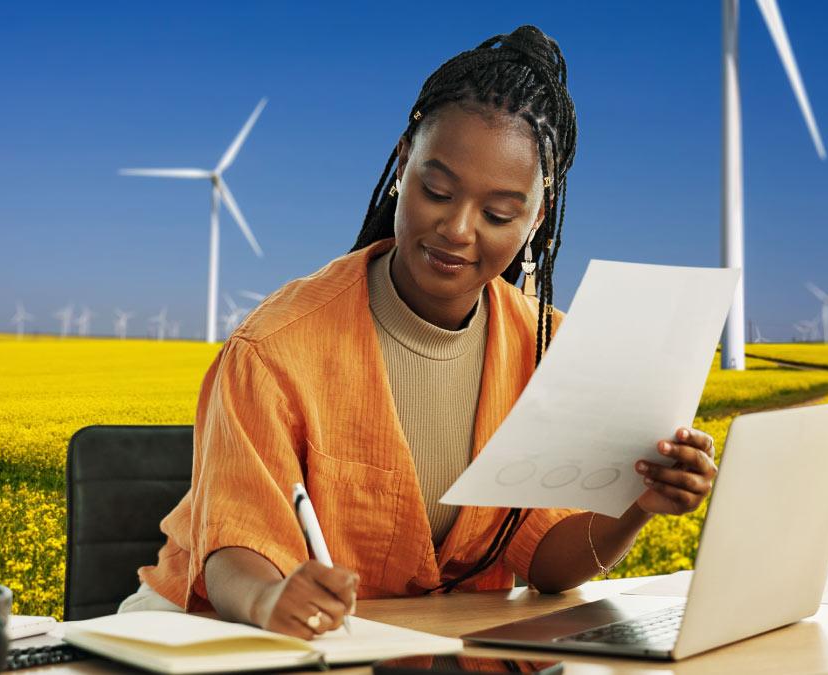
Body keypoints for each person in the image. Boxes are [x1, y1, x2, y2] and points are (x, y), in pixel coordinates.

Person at [120, 25, 718, 640]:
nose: (458, 229)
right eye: (437, 191)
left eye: (498, 213)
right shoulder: (274, 347)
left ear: (537, 217)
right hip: (220, 633)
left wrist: (637, 506)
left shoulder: (549, 351)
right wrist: (274, 597)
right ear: (403, 165)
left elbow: (548, 566)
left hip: (420, 640)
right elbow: (232, 556)